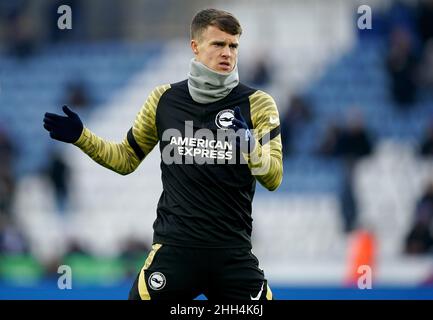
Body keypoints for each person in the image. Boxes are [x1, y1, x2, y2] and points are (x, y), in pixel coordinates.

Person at [43, 9, 283, 300]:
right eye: (218, 44)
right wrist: (82, 137)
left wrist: (248, 145)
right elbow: (126, 158)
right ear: (195, 47)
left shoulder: (259, 104)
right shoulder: (164, 99)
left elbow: (273, 177)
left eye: (233, 46)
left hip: (232, 252)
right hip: (175, 250)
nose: (227, 53)